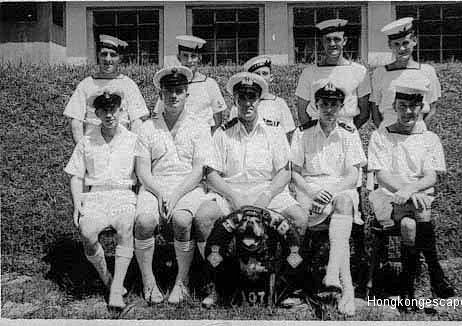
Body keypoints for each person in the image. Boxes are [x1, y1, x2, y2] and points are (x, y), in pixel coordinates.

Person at [196, 72, 308, 308]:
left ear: (260, 100)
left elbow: (284, 172)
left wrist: (266, 196)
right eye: (242, 97)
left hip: (267, 191)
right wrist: (233, 196)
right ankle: (214, 284)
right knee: (204, 216)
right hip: (231, 192)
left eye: (252, 97)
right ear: (235, 100)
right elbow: (211, 173)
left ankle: (287, 286)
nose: (247, 103)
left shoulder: (274, 130)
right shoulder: (222, 132)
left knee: (298, 218)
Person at [294, 19, 371, 289]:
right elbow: (302, 109)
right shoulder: (310, 72)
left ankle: (339, 273)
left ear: (345, 40)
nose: (333, 44)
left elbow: (364, 110)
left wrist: (342, 130)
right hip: (313, 161)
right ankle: (302, 275)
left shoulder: (359, 71)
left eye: (337, 39)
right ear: (322, 42)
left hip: (344, 144)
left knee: (347, 200)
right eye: (328, 40)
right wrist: (315, 128)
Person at [367, 78, 454, 311]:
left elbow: (430, 176)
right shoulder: (381, 136)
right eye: (403, 106)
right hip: (387, 197)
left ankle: (407, 291)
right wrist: (404, 191)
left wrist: (410, 191)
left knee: (409, 225)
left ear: (421, 108)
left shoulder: (429, 139)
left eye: (413, 106)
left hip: (414, 198)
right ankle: (436, 273)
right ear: (394, 107)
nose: (408, 112)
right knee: (420, 209)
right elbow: (381, 176)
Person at [133, 66, 216, 304]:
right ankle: (149, 282)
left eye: (179, 91)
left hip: (188, 186)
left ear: (187, 95)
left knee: (182, 219)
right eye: (168, 91)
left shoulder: (199, 126)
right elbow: (142, 171)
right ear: (160, 95)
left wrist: (177, 193)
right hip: (154, 186)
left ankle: (182, 280)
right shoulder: (148, 127)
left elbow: (199, 169)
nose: (174, 96)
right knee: (144, 222)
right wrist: (159, 193)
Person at [291, 79, 367, 316]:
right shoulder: (302, 133)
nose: (329, 109)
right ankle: (347, 291)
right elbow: (293, 171)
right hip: (310, 191)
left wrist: (332, 192)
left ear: (341, 106)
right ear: (316, 105)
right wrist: (314, 193)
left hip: (340, 188)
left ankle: (333, 273)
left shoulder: (349, 132)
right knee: (340, 234)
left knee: (343, 203)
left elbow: (354, 172)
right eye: (324, 104)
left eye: (334, 104)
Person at [64, 88, 138, 309]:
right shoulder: (86, 141)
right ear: (96, 113)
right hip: (95, 196)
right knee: (87, 232)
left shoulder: (133, 139)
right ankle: (107, 279)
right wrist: (77, 205)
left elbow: (143, 174)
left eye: (113, 110)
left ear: (121, 110)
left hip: (124, 195)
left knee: (125, 227)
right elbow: (77, 176)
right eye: (104, 111)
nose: (109, 115)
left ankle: (116, 289)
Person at [63, 34, 149, 143]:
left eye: (113, 55)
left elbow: (136, 120)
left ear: (120, 58)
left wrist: (132, 148)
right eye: (104, 54)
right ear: (98, 56)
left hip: (122, 144)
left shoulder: (128, 84)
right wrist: (81, 149)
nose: (108, 59)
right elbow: (76, 121)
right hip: (92, 144)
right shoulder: (86, 84)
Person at [370, 17, 441, 131]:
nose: (401, 48)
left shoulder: (427, 71)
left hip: (417, 129)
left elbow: (432, 108)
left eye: (405, 43)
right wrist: (383, 132)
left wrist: (421, 132)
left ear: (414, 41)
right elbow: (375, 109)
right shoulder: (380, 73)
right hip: (388, 128)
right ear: (390, 45)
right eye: (396, 44)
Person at [154, 35, 227, 129]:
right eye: (185, 56)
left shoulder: (209, 84)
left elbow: (217, 119)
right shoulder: (171, 83)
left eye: (193, 56)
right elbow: (158, 113)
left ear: (199, 58)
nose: (189, 61)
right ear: (179, 57)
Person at [229, 55, 296, 138]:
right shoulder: (239, 105)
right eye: (257, 74)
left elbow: (289, 134)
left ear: (271, 77)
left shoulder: (279, 104)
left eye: (265, 73)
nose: (261, 77)